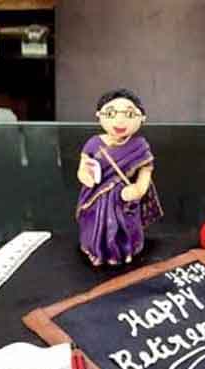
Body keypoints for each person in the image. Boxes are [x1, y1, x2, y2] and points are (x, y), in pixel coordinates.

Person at [76, 88, 163, 265]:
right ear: (99, 115)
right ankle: (95, 248)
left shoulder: (140, 146)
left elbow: (145, 173)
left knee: (125, 227)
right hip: (96, 197)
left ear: (142, 118)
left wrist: (137, 190)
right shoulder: (93, 143)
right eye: (111, 113)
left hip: (124, 200)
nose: (120, 121)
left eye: (129, 114)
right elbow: (83, 166)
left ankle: (125, 250)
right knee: (95, 224)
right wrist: (85, 175)